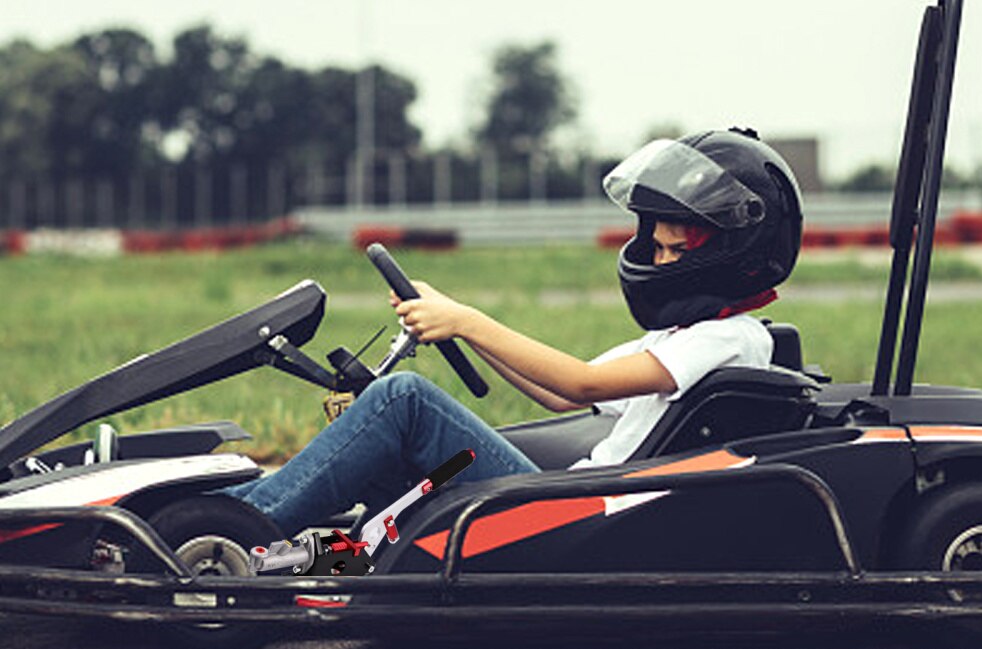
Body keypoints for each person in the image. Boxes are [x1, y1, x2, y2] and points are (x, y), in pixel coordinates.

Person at [227, 128, 803, 536]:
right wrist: (465, 325)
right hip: (575, 498)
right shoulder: (684, 334)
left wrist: (467, 320)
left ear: (737, 255)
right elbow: (557, 393)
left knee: (402, 400)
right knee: (393, 439)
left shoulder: (728, 340)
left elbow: (580, 384)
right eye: (657, 245)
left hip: (580, 513)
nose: (659, 258)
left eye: (675, 249)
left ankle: (229, 528)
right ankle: (229, 517)